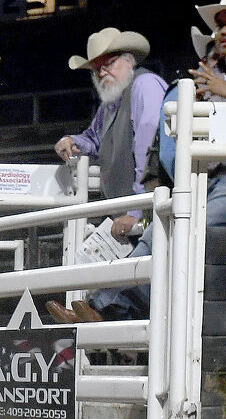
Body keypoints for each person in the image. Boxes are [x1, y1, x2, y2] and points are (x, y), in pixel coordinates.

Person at [87, 0, 226, 324]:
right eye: (221, 23)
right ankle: (107, 307)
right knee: (156, 231)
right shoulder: (203, 75)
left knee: (191, 227)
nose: (225, 30)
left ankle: (122, 310)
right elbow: (166, 135)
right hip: (208, 178)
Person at [53, 27, 166, 252]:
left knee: (124, 284)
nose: (102, 73)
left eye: (109, 63)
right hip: (133, 218)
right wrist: (73, 142)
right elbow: (94, 139)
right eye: (96, 69)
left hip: (150, 216)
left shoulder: (145, 86)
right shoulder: (112, 102)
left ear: (129, 61)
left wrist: (136, 211)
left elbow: (150, 152)